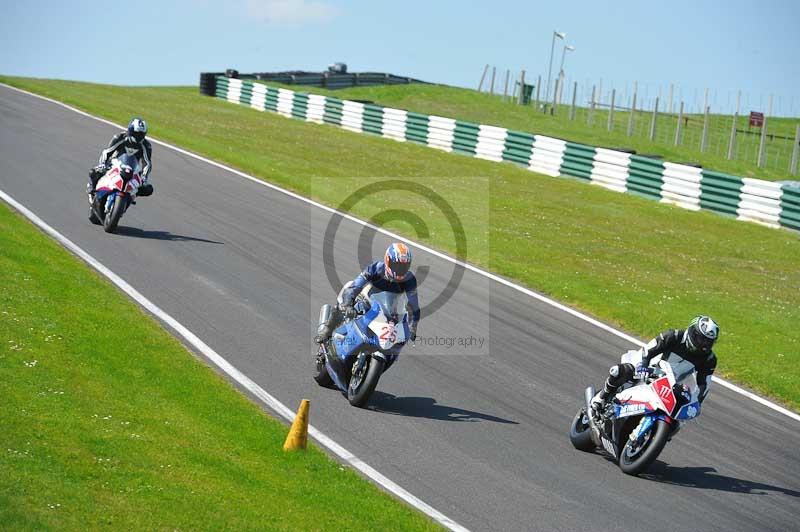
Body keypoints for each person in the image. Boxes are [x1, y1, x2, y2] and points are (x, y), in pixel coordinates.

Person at [590, 315, 719, 417]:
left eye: (708, 341)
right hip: (650, 367)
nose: (703, 344)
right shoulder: (674, 336)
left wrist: (697, 402)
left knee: (680, 412)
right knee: (624, 370)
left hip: (672, 384)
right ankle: (602, 397)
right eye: (701, 338)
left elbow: (704, 384)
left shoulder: (709, 359)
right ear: (692, 332)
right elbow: (649, 350)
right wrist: (643, 365)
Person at [315, 242, 421, 344]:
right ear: (388, 260)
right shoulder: (375, 269)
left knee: (395, 337)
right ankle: (328, 329)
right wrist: (348, 304)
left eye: (404, 266)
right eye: (397, 266)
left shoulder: (409, 279)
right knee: (348, 289)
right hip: (368, 303)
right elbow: (356, 286)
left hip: (390, 311)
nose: (400, 270)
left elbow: (413, 304)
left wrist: (413, 326)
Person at [87, 117, 153, 199]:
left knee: (149, 189)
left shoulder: (146, 145)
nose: (139, 137)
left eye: (141, 135)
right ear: (130, 131)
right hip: (114, 164)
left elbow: (147, 163)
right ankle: (92, 188)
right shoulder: (120, 137)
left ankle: (133, 196)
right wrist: (102, 164)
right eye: (137, 134)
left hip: (133, 170)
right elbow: (107, 152)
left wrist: (144, 177)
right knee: (94, 172)